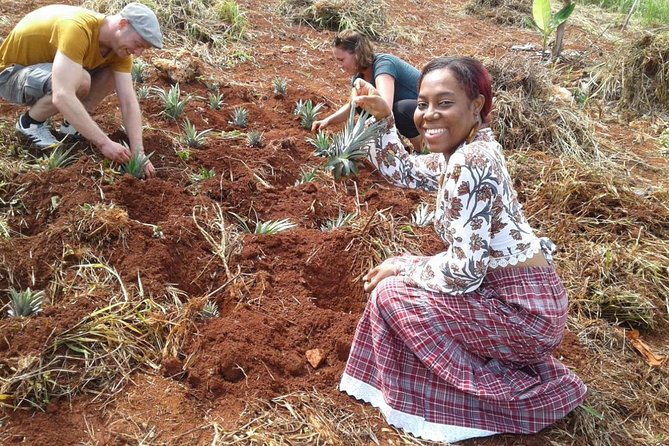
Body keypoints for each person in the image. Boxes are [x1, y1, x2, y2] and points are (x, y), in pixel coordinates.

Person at [340, 56, 587, 443]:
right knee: (404, 287)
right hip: (531, 302)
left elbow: (463, 272)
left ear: (476, 107)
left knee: (392, 295)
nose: (428, 115)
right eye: (422, 104)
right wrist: (383, 116)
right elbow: (401, 171)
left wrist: (401, 264)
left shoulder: (469, 162)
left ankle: (484, 401)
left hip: (523, 314)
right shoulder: (471, 150)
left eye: (444, 103)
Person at [0, 2, 163, 178]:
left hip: (43, 73)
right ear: (123, 24)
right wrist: (104, 143)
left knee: (111, 73)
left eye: (143, 49)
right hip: (12, 75)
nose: (137, 52)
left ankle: (72, 125)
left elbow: (128, 101)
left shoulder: (119, 49)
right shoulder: (77, 28)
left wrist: (138, 150)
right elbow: (62, 95)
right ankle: (29, 123)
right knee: (81, 79)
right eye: (138, 43)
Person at [311, 30, 423, 150]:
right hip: (413, 114)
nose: (339, 65)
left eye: (341, 60)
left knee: (399, 109)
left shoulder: (383, 65)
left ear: (357, 54)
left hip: (429, 109)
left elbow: (385, 106)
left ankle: (421, 150)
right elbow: (352, 106)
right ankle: (400, 149)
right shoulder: (359, 77)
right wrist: (327, 121)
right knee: (361, 103)